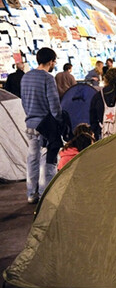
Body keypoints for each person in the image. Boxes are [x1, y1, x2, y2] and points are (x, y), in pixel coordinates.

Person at [20, 48, 62, 204]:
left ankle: (31, 193)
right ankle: (45, 194)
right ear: (50, 61)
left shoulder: (26, 77)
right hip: (45, 125)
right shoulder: (48, 78)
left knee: (32, 158)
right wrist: (58, 121)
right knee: (46, 159)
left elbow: (24, 101)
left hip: (30, 124)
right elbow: (54, 105)